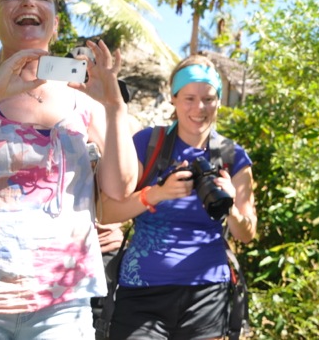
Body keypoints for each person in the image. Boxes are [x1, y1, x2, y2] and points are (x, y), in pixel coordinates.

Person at [0, 0, 138, 338]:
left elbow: (120, 189)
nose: (28, 0)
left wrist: (114, 107)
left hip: (63, 301)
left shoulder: (81, 98)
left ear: (54, 25)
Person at [100, 54, 257, 340]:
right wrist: (156, 194)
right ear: (173, 98)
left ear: (219, 100)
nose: (200, 108)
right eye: (189, 98)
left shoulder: (233, 157)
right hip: (142, 291)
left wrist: (231, 207)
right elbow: (105, 212)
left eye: (209, 98)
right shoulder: (148, 143)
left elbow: (246, 234)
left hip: (206, 294)